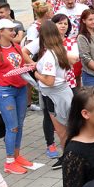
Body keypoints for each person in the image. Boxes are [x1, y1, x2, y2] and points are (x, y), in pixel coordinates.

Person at [0, 19, 35, 174]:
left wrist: (30, 66)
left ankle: (16, 155)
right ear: (0, 32)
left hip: (20, 89)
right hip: (5, 91)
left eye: (14, 30)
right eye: (10, 30)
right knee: (12, 126)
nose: (14, 32)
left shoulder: (16, 46)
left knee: (19, 124)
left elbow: (20, 66)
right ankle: (9, 162)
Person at [33, 20, 74, 149]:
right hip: (63, 92)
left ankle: (67, 158)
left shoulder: (50, 54)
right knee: (69, 129)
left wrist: (37, 74)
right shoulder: (60, 49)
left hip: (54, 96)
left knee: (62, 132)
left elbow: (49, 81)